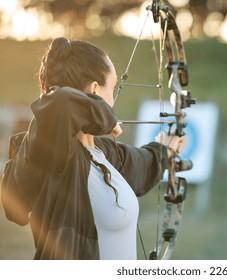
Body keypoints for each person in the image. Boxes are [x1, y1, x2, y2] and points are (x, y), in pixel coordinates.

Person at [0, 37, 185, 260]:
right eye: (113, 87)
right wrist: (105, 117)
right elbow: (59, 102)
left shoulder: (103, 154)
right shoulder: (51, 153)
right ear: (95, 90)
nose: (113, 99)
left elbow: (140, 163)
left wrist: (164, 149)